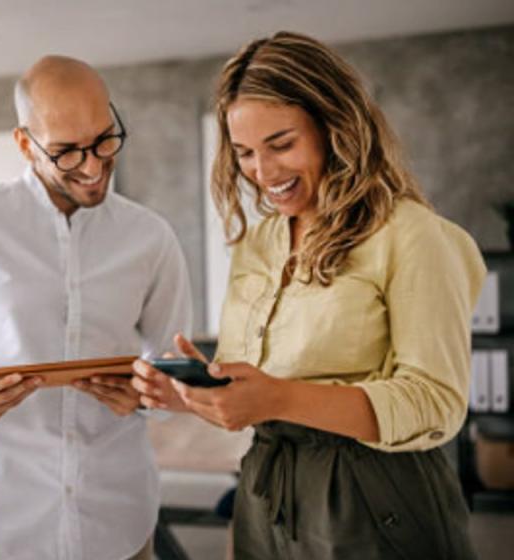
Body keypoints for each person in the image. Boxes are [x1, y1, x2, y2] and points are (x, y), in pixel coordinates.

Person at [132, 31, 485, 560]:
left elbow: (436, 403)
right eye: (245, 153)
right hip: (268, 492)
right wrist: (191, 396)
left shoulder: (411, 235)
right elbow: (261, 395)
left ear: (334, 127)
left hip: (377, 495)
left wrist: (277, 397)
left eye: (281, 144)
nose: (263, 173)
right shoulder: (259, 243)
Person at [0, 55, 194, 560]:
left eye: (105, 139)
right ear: (24, 143)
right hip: (0, 522)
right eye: (65, 152)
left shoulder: (152, 238)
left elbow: (176, 367)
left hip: (119, 522)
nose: (92, 165)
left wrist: (150, 395)